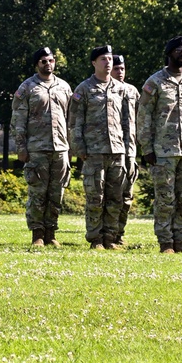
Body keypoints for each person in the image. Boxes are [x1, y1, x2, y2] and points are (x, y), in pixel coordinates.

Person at [137, 35, 182, 255]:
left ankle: (181, 240)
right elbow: (144, 117)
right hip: (163, 151)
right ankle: (166, 242)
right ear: (169, 54)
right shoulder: (155, 82)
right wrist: (146, 148)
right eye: (179, 50)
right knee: (166, 199)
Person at [10, 47, 72, 249]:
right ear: (37, 64)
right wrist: (21, 146)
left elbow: (71, 119)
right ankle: (37, 234)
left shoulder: (64, 87)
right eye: (44, 61)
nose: (48, 64)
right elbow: (18, 119)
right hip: (36, 148)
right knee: (38, 193)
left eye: (51, 61)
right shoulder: (27, 87)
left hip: (60, 148)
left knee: (56, 193)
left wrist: (72, 147)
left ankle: (51, 232)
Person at [68, 45, 127, 251]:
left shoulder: (121, 88)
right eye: (103, 59)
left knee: (115, 198)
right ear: (94, 63)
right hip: (93, 151)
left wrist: (127, 148)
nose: (108, 62)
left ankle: (110, 238)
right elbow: (75, 122)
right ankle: (95, 238)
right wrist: (79, 147)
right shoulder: (84, 89)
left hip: (117, 151)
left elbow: (127, 122)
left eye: (110, 58)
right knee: (95, 196)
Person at [109, 52, 140, 243]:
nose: (120, 72)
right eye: (116, 68)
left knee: (126, 195)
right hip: (111, 149)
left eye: (122, 68)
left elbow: (141, 119)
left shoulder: (132, 91)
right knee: (109, 194)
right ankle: (107, 234)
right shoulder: (103, 90)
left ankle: (119, 234)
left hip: (130, 151)